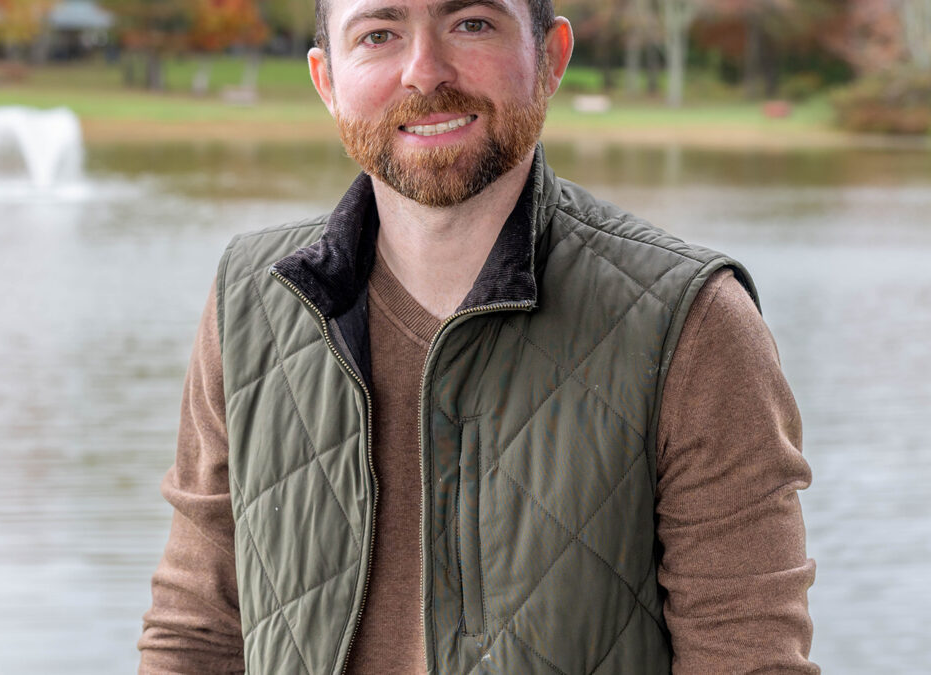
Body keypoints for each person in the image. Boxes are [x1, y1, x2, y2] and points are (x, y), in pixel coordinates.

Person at [138, 0, 818, 672]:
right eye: (379, 33)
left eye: (471, 23)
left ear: (549, 59)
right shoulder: (249, 298)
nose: (424, 71)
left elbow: (749, 658)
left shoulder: (693, 323)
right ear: (327, 81)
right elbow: (195, 632)